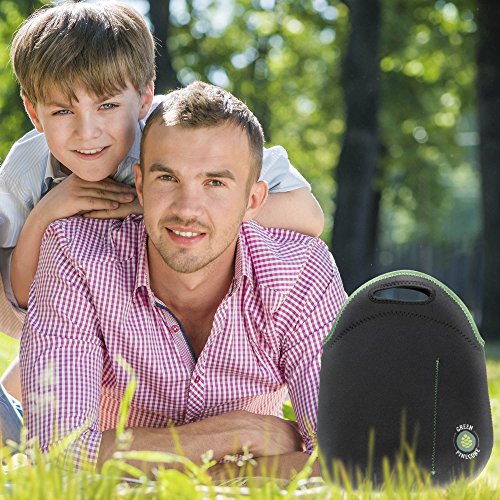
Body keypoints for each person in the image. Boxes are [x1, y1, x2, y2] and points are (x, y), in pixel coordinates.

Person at [0, 1, 323, 408]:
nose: (87, 132)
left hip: (182, 308)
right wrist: (46, 213)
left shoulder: (182, 133)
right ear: (34, 112)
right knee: (28, 400)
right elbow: (20, 298)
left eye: (107, 106)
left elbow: (308, 216)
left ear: (144, 97)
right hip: (79, 314)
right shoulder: (26, 169)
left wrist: (149, 207)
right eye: (63, 110)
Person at [20, 81, 346, 478]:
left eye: (215, 183)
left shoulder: (300, 272)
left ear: (253, 201)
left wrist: (220, 480)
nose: (188, 209)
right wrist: (237, 433)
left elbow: (349, 457)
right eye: (168, 179)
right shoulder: (76, 255)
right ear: (140, 185)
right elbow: (59, 454)